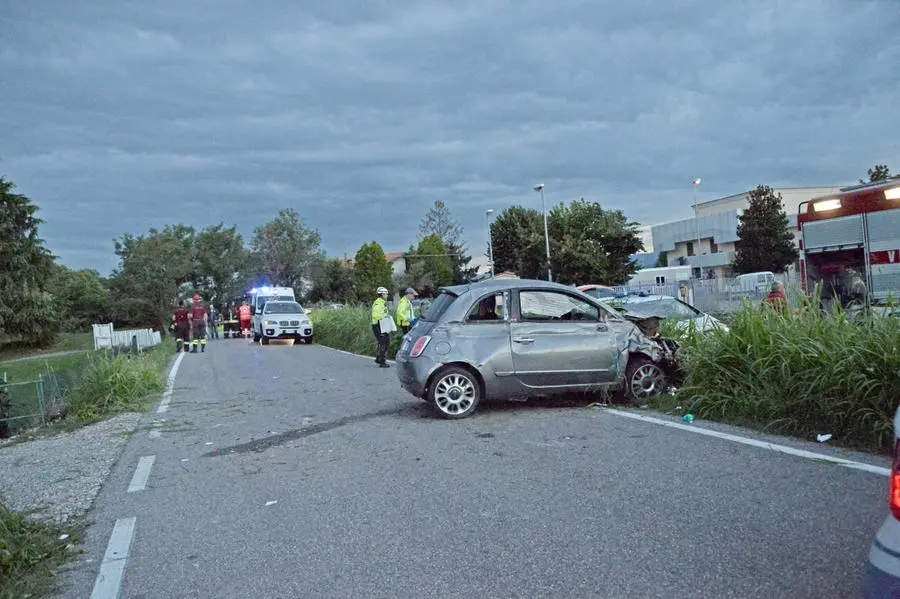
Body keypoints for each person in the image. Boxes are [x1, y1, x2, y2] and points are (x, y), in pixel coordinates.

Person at [371, 286, 391, 368]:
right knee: (384, 343)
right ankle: (382, 362)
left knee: (385, 342)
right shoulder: (378, 303)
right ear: (381, 294)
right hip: (378, 325)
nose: (387, 295)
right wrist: (384, 317)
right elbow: (376, 315)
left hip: (382, 324)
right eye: (385, 294)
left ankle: (379, 358)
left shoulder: (382, 302)